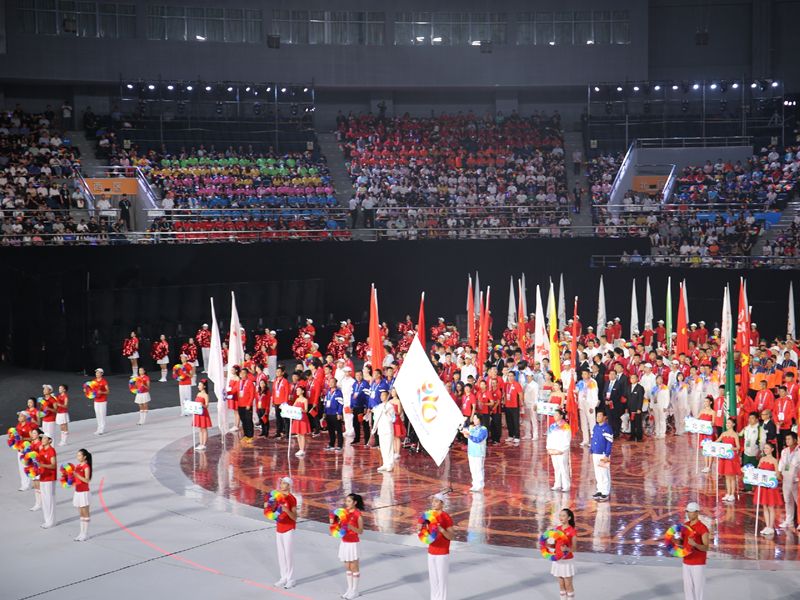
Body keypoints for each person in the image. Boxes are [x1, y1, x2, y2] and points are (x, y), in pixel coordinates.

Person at [334, 493, 364, 600]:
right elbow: (337, 524)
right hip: (344, 542)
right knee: (347, 566)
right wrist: (336, 525)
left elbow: (360, 531)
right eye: (346, 501)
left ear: (355, 502)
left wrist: (351, 527)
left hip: (353, 543)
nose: (346, 503)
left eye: (349, 501)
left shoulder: (358, 515)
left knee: (354, 566)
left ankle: (355, 590)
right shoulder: (343, 512)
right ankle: (349, 589)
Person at [426, 493, 455, 600]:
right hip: (431, 552)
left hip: (442, 553)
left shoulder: (446, 517)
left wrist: (442, 530)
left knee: (442, 580)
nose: (433, 503)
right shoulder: (429, 515)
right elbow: (425, 535)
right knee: (433, 579)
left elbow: (452, 536)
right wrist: (421, 531)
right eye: (433, 501)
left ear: (442, 504)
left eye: (436, 501)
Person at [271, 476, 298, 589]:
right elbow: (273, 512)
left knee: (288, 554)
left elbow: (295, 517)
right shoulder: (278, 497)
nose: (281, 485)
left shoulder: (292, 499)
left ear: (289, 486)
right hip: (279, 528)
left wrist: (287, 511)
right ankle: (283, 577)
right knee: (281, 554)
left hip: (288, 529)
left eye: (284, 484)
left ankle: (290, 578)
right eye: (281, 483)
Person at [681, 502, 710, 600]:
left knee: (698, 590)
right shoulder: (685, 526)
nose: (689, 514)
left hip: (698, 563)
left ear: (697, 513)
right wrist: (675, 541)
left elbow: (706, 547)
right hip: (686, 561)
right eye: (688, 512)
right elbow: (683, 542)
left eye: (691, 512)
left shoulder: (703, 528)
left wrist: (695, 545)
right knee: (687, 589)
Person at [757, 441, 782, 536]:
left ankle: (771, 527)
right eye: (764, 448)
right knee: (764, 506)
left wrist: (774, 476)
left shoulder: (775, 460)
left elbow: (778, 474)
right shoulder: (762, 459)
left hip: (771, 486)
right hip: (763, 485)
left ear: (772, 449)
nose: (765, 450)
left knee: (771, 506)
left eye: (767, 448)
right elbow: (758, 469)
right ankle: (767, 526)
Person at [551, 508, 577, 599]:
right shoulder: (557, 529)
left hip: (567, 560)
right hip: (558, 559)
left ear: (569, 518)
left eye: (563, 515)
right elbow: (555, 544)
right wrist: (548, 545)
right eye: (560, 515)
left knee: (568, 584)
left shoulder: (572, 531)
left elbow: (574, 548)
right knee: (561, 585)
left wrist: (567, 549)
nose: (561, 517)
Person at [715, 417, 741, 503]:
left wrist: (731, 448)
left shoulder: (735, 435)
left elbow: (738, 447)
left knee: (732, 476)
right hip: (724, 457)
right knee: (726, 476)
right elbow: (717, 441)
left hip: (732, 457)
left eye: (729, 423)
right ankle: (728, 493)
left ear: (733, 424)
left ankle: (732, 494)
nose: (728, 425)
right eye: (727, 423)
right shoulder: (723, 433)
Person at [590, 408, 613, 501]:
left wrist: (607, 454)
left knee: (604, 473)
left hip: (603, 454)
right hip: (595, 453)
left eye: (600, 416)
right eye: (597, 416)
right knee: (598, 473)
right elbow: (593, 438)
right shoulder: (595, 427)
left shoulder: (607, 428)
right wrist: (591, 449)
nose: (598, 417)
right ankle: (600, 489)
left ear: (604, 417)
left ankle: (605, 491)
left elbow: (609, 442)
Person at [461, 413, 488, 492]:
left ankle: (479, 485)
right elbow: (463, 429)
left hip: (479, 453)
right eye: (474, 419)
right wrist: (463, 422)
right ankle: (474, 484)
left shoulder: (483, 429)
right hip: (471, 452)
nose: (474, 420)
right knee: (473, 469)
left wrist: (469, 436)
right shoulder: (471, 428)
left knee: (479, 469)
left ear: (480, 419)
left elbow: (478, 439)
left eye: (476, 419)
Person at [547, 409, 572, 492]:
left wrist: (561, 450)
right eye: (554, 415)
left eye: (556, 415)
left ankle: (566, 485)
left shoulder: (566, 426)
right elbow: (549, 438)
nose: (555, 416)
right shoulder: (552, 426)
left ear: (561, 416)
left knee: (563, 468)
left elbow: (567, 440)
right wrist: (549, 448)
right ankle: (557, 484)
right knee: (556, 468)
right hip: (553, 450)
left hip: (561, 451)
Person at [777, 432, 799, 529]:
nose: (787, 441)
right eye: (786, 439)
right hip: (786, 478)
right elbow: (781, 463)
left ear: (795, 440)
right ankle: (789, 520)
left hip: (796, 480)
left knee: (798, 501)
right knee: (787, 500)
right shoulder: (784, 451)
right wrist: (779, 472)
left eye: (789, 439)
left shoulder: (799, 451)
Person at [371, 390, 395, 472]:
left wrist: (387, 413)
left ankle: (390, 464)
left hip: (388, 429)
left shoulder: (390, 406)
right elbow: (375, 418)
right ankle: (385, 464)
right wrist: (374, 428)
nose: (381, 397)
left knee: (389, 447)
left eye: (383, 395)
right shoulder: (379, 407)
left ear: (387, 396)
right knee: (383, 447)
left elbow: (393, 419)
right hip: (381, 430)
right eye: (381, 395)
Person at [72, 448, 92, 541]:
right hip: (78, 491)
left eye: (79, 455)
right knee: (80, 513)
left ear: (84, 457)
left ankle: (86, 533)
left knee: (85, 512)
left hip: (84, 492)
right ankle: (81, 532)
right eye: (77, 455)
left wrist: (77, 475)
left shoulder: (86, 467)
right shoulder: (77, 466)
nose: (78, 457)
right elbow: (76, 479)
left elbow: (87, 480)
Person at [38, 433, 57, 528]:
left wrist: (42, 466)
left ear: (50, 440)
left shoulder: (51, 451)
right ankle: (47, 520)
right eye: (42, 438)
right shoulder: (41, 450)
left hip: (49, 478)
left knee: (49, 499)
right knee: (44, 499)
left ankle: (51, 521)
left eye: (45, 438)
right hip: (42, 477)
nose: (42, 439)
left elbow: (53, 465)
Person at [739, 411, 761, 492]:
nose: (750, 420)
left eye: (752, 418)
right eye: (749, 418)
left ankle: (754, 487)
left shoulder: (759, 428)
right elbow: (739, 435)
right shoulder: (746, 428)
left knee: (754, 470)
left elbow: (762, 441)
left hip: (755, 453)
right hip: (746, 453)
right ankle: (747, 487)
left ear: (757, 419)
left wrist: (760, 452)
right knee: (746, 469)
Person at [577, 369, 599, 446]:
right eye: (582, 374)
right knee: (583, 423)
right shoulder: (580, 382)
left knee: (592, 423)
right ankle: (585, 440)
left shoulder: (592, 383)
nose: (584, 376)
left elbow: (595, 395)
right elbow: (576, 391)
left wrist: (593, 406)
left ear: (589, 374)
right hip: (582, 404)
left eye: (585, 374)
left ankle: (593, 440)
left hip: (590, 405)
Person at [323, 375, 344, 452]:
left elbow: (341, 403)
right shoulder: (328, 392)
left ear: (336, 383)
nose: (331, 383)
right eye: (330, 382)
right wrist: (324, 412)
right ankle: (331, 444)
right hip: (328, 413)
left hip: (335, 413)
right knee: (330, 430)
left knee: (338, 430)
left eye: (332, 382)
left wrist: (339, 413)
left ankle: (339, 445)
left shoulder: (338, 392)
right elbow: (325, 403)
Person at [291, 385, 311, 457]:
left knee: (302, 434)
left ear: (302, 391)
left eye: (298, 390)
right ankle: (300, 448)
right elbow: (293, 407)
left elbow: (306, 410)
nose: (297, 391)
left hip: (302, 418)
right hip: (297, 418)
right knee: (298, 434)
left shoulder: (305, 400)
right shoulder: (296, 399)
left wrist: (301, 410)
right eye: (297, 390)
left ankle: (302, 449)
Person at [503, 370, 522, 445]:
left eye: (511, 376)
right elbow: (504, 394)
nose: (510, 377)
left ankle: (517, 436)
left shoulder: (517, 384)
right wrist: (504, 402)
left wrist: (521, 403)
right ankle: (511, 435)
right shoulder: (506, 384)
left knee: (515, 421)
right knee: (509, 421)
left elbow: (520, 394)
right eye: (509, 376)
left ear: (514, 377)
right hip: (507, 405)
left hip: (515, 405)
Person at [238, 367, 256, 445]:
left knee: (248, 420)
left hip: (247, 405)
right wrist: (227, 393)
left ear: (247, 374)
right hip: (240, 405)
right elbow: (234, 390)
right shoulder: (239, 382)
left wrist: (249, 404)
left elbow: (252, 395)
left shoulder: (250, 383)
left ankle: (250, 436)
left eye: (243, 373)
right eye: (241, 373)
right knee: (243, 420)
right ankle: (245, 435)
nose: (242, 374)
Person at [697, 397, 715, 473]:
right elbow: (697, 418)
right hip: (703, 432)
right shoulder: (702, 411)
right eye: (704, 401)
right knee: (704, 449)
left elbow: (713, 422)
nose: (705, 403)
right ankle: (706, 466)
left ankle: (709, 466)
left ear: (710, 402)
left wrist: (708, 424)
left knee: (709, 449)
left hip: (709, 432)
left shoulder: (713, 412)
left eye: (707, 401)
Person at [193, 380, 212, 451]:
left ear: (204, 386)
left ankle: (204, 444)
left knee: (204, 428)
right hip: (198, 412)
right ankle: (201, 443)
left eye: (200, 385)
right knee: (200, 429)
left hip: (203, 412)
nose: (198, 387)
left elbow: (207, 405)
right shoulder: (198, 394)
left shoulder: (206, 395)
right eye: (198, 385)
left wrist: (203, 405)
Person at [627, 373, 645, 442]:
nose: (632, 379)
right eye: (631, 378)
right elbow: (627, 398)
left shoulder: (640, 388)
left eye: (634, 378)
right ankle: (632, 436)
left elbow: (640, 399)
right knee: (632, 422)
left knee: (638, 423)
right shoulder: (628, 387)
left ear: (637, 379)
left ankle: (639, 437)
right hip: (630, 408)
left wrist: (639, 408)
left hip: (637, 409)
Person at [522, 372, 540, 440]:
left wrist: (536, 404)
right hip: (526, 404)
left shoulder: (535, 385)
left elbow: (536, 395)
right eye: (526, 376)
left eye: (529, 376)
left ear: (532, 377)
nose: (527, 377)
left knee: (534, 420)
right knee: (526, 420)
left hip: (533, 404)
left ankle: (535, 435)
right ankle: (527, 434)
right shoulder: (525, 384)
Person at [92, 368, 109, 435]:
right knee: (97, 414)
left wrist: (101, 392)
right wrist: (87, 391)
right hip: (96, 400)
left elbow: (108, 391)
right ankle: (98, 428)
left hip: (103, 400)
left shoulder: (104, 381)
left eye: (98, 373)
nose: (97, 374)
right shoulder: (94, 381)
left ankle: (102, 428)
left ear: (101, 374)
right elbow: (91, 390)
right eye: (96, 373)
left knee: (102, 414)